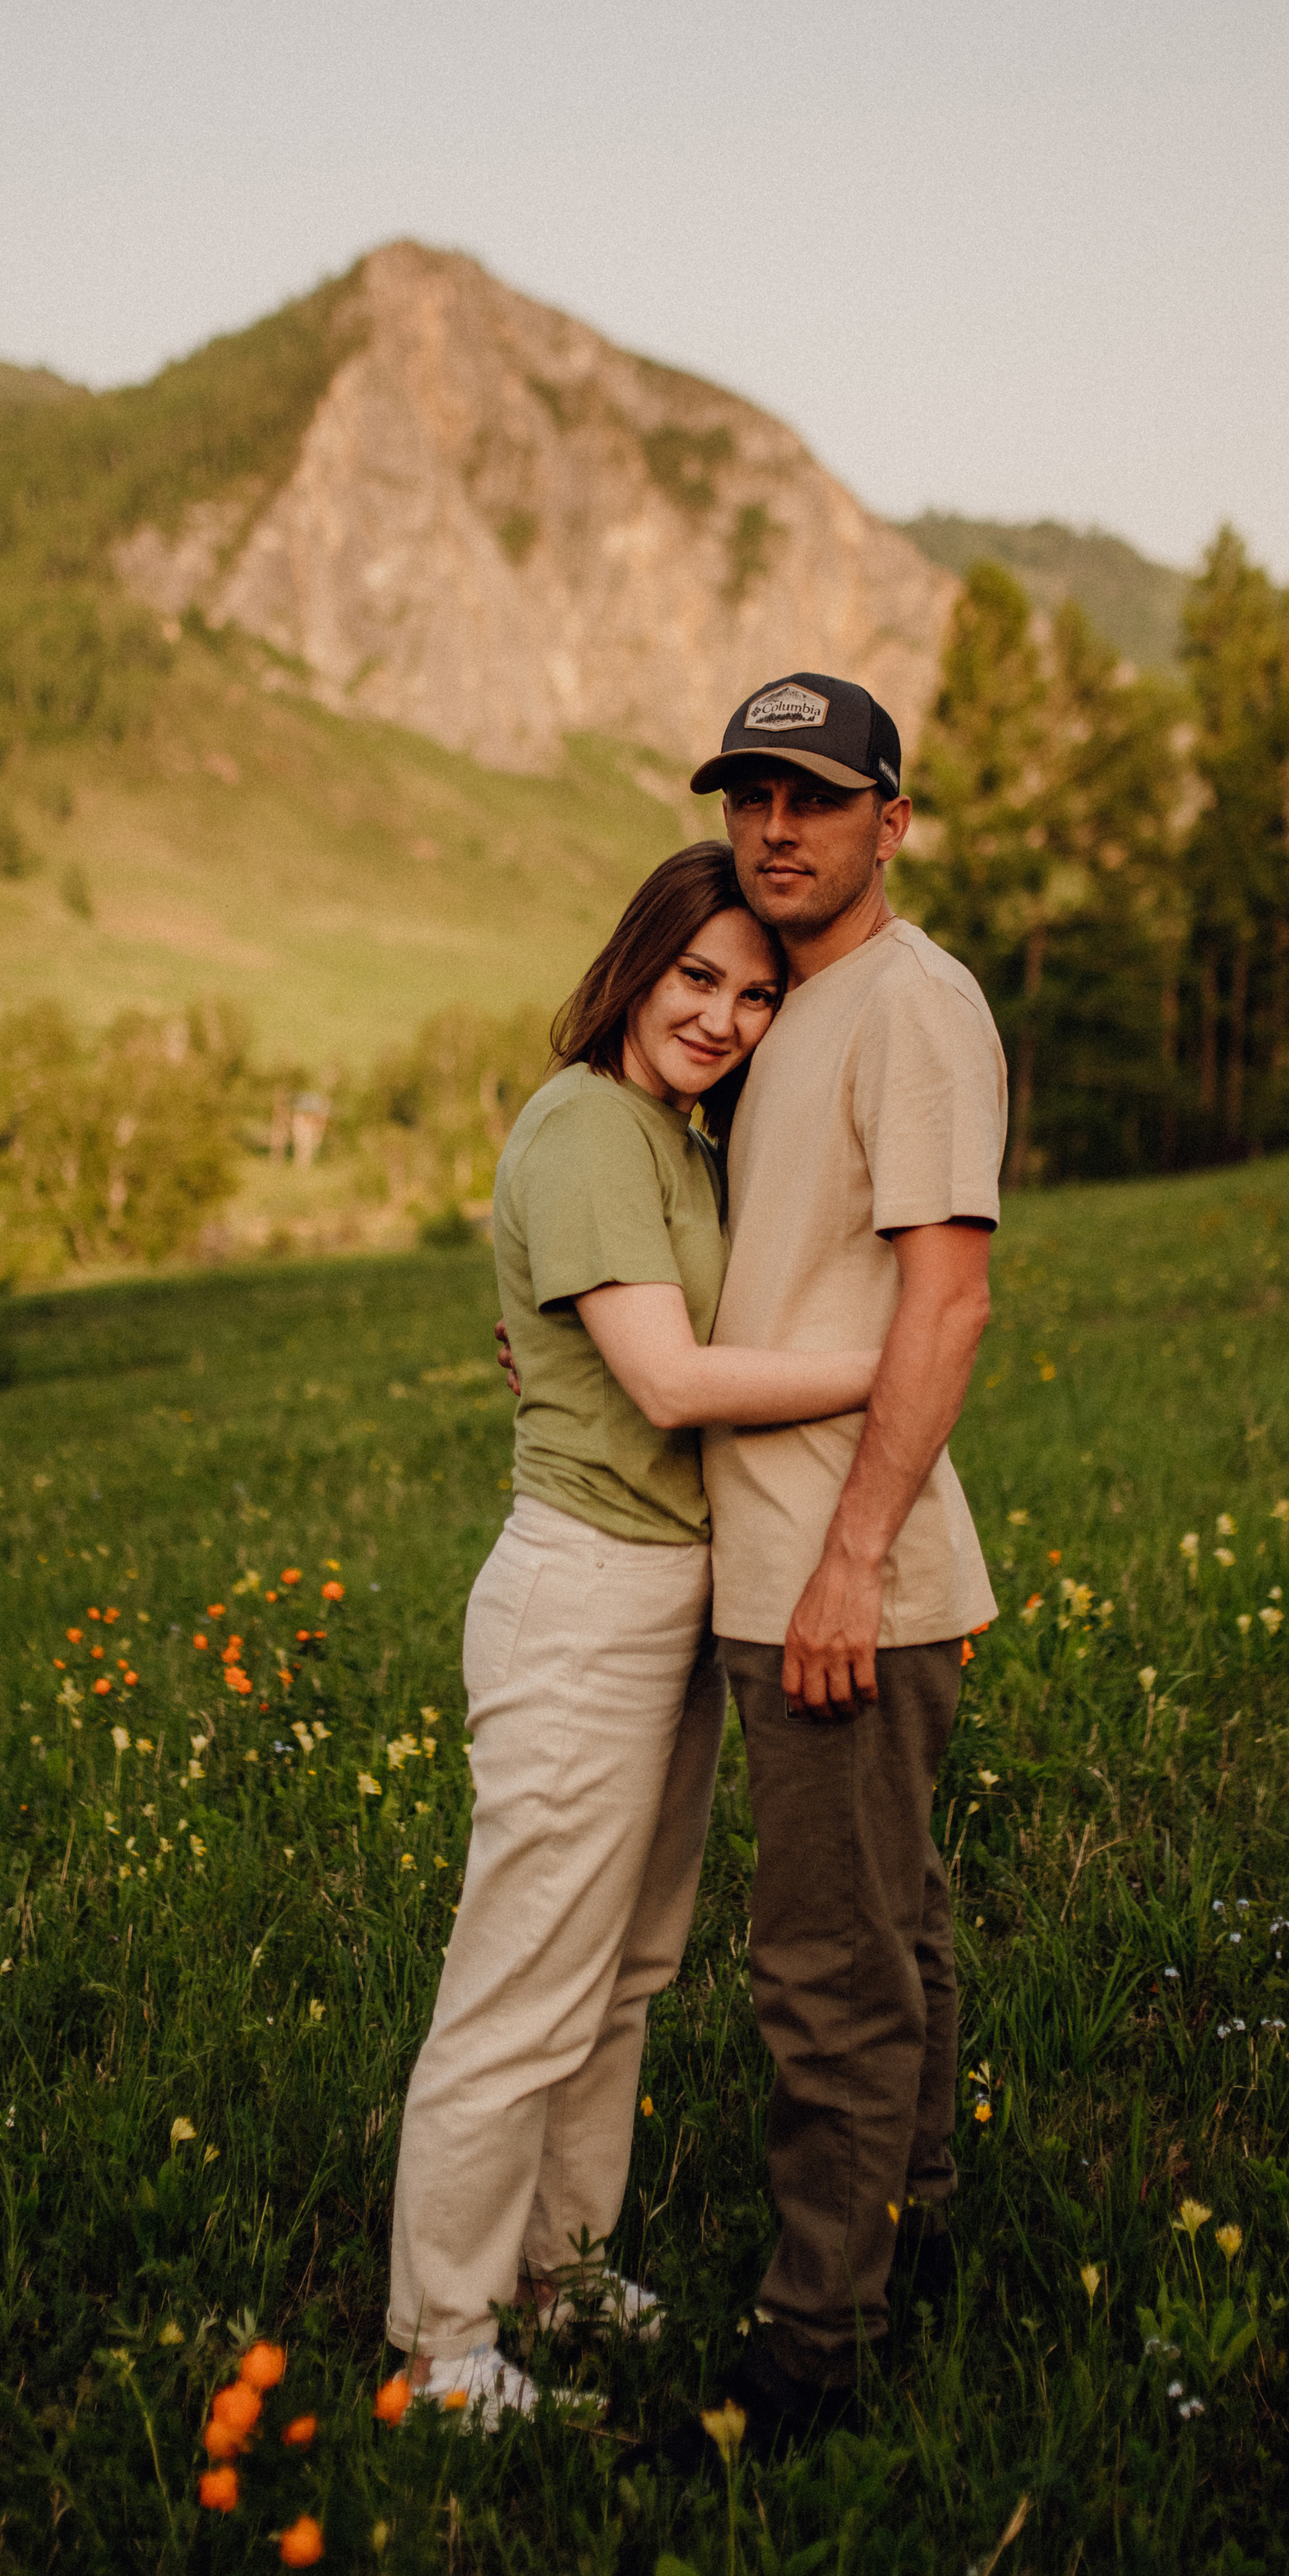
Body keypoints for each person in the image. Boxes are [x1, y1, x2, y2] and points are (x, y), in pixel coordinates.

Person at [386, 840, 888, 2425]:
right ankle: (443, 2340)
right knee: (524, 1983)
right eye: (697, 978)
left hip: (671, 1588)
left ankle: (566, 2269)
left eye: (755, 993)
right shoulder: (592, 1126)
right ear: (636, 964)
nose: (726, 1016)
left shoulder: (674, 1135)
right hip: (583, 1596)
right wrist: (878, 1366)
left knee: (622, 1973)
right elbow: (669, 1383)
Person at [675, 669, 1007, 2460]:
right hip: (800, 1553)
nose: (773, 829)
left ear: (891, 817)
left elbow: (945, 1300)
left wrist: (848, 1559)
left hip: (838, 1575)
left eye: (811, 798)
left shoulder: (914, 1007)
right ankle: (914, 2236)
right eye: (749, 796)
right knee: (892, 1930)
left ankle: (812, 2353)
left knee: (824, 1967)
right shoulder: (792, 1006)